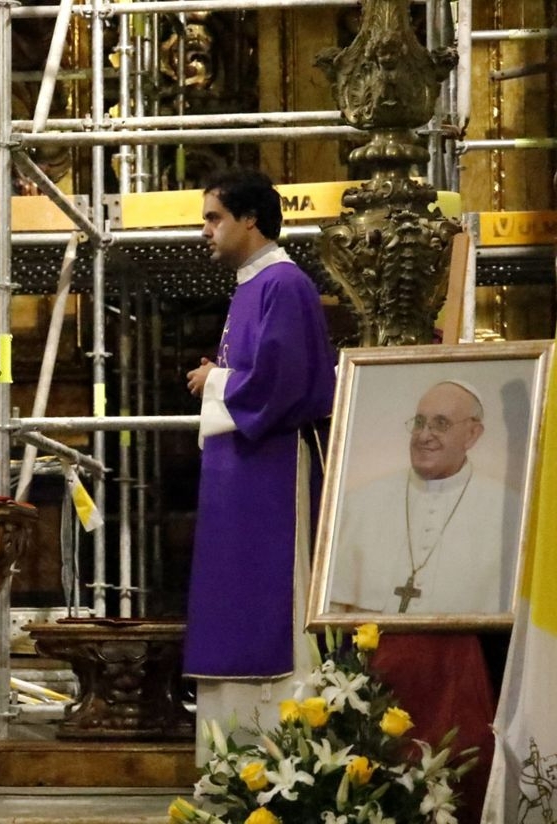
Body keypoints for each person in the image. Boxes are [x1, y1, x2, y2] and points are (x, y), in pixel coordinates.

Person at [182, 168, 336, 763]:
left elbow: (284, 381)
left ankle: (281, 752)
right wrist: (222, 381)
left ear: (251, 219)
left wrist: (213, 379)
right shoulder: (252, 285)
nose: (205, 231)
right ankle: (233, 753)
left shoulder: (283, 284)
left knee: (270, 597)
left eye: (213, 217)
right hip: (239, 464)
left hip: (270, 465)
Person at [329, 379, 519, 614]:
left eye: (441, 424)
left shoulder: (510, 511)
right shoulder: (359, 504)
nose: (424, 436)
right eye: (419, 423)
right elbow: (332, 618)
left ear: (472, 434)